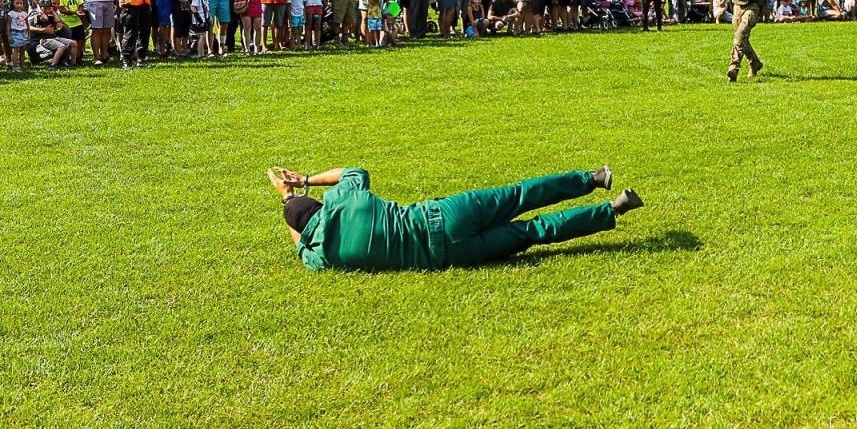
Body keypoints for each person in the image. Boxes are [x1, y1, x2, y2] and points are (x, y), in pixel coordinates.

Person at [270, 164, 643, 272]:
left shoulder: (321, 256)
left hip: (449, 255)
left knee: (534, 231)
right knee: (520, 195)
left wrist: (286, 204)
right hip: (444, 215)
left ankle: (612, 209)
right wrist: (302, 182)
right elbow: (353, 170)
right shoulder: (342, 199)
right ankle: (592, 180)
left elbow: (300, 246)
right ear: (317, 204)